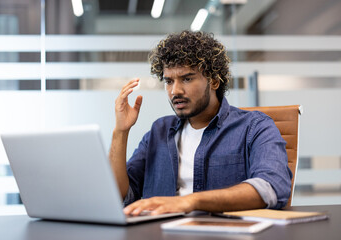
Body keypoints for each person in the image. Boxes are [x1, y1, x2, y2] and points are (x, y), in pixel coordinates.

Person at [109, 30, 292, 216]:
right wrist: (120, 132)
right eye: (169, 81)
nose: (175, 91)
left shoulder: (254, 127)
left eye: (187, 79)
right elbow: (120, 194)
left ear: (213, 81)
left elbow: (272, 187)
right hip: (159, 233)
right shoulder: (159, 131)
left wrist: (189, 202)